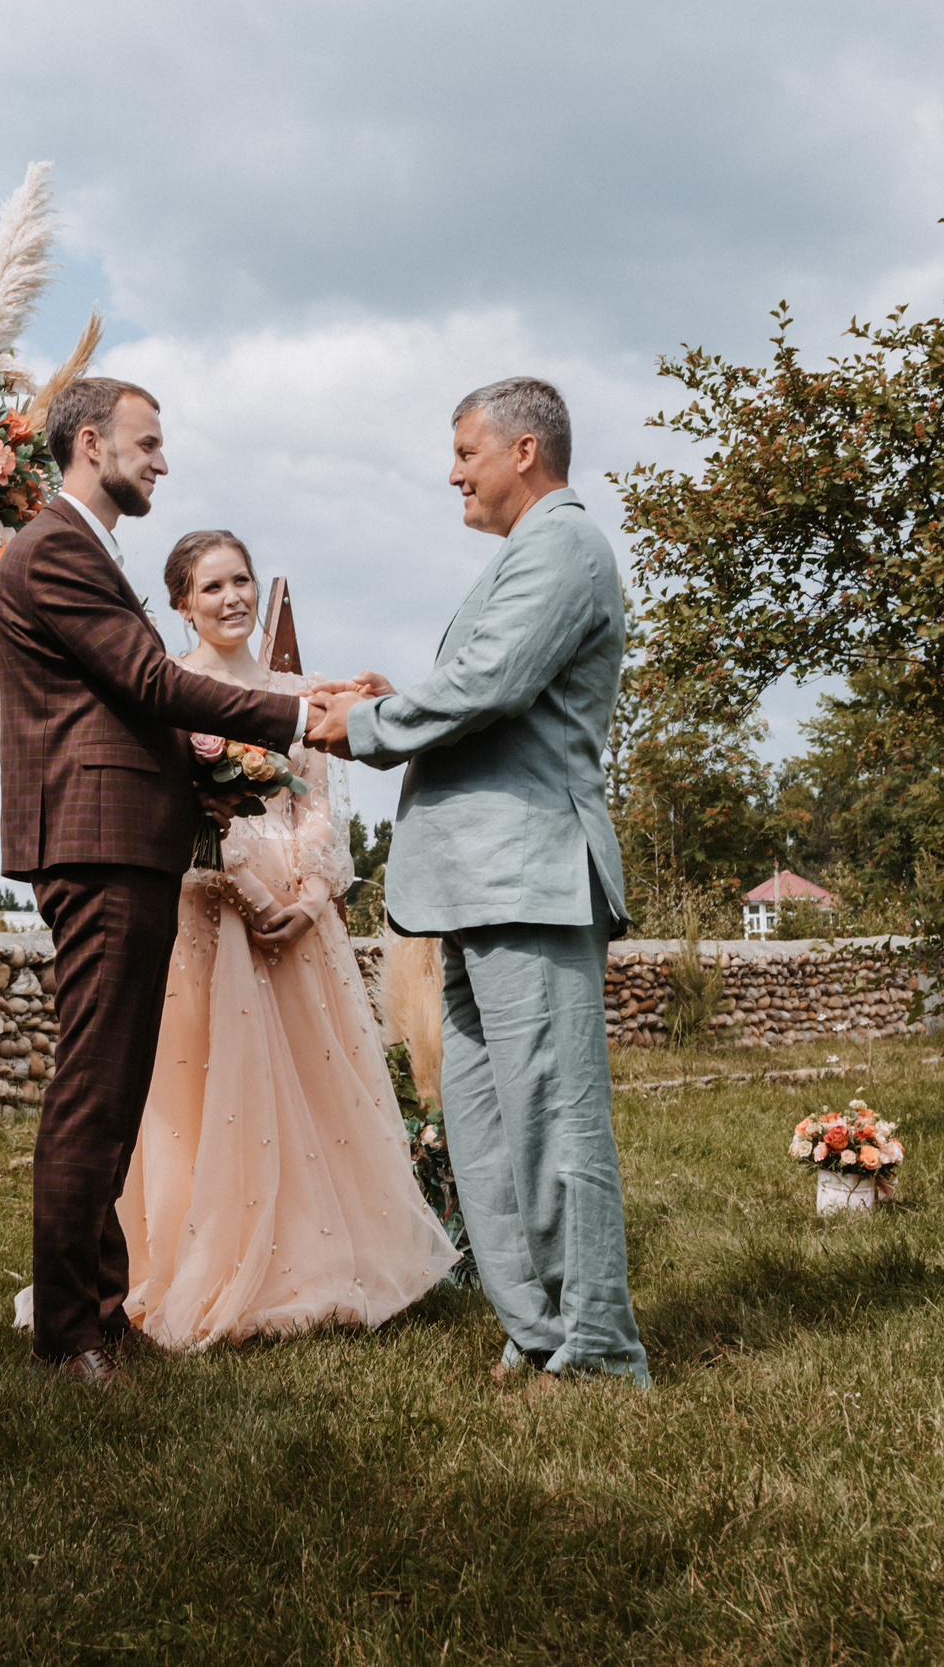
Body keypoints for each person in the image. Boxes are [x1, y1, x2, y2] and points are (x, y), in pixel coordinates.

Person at [309, 377, 649, 1390]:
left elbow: (493, 685)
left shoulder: (564, 546)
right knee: (485, 1131)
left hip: (531, 878)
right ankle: (537, 1331)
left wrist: (361, 727)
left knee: (552, 1124)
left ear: (525, 452)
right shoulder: (523, 556)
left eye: (464, 451)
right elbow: (486, 692)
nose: (450, 471)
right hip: (476, 887)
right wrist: (401, 697)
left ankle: (596, 1351)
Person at [0, 378, 322, 1385]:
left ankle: (100, 1311)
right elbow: (147, 682)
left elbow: (136, 699)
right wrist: (297, 719)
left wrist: (210, 774)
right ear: (90, 443)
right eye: (148, 443)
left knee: (116, 1086)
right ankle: (69, 1338)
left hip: (123, 838)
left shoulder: (77, 548)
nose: (161, 462)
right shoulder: (54, 547)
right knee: (94, 1091)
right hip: (97, 842)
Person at [112, 531, 459, 1349]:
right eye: (212, 586)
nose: (232, 597)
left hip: (301, 921)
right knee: (206, 1094)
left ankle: (323, 1258)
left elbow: (319, 808)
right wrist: (245, 886)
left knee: (316, 1095)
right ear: (182, 601)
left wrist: (309, 899)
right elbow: (185, 812)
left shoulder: (298, 693)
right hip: (214, 908)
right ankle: (211, 1260)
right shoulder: (172, 688)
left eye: (242, 581)